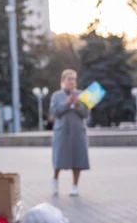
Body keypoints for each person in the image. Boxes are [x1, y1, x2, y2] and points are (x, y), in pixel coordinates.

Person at [49, 69, 90, 197]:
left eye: (73, 79)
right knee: (59, 158)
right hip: (62, 131)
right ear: (63, 81)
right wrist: (67, 103)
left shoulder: (82, 94)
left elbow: (86, 114)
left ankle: (75, 186)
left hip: (77, 131)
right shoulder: (57, 95)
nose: (71, 81)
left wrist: (78, 104)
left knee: (78, 158)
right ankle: (55, 181)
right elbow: (54, 112)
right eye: (69, 79)